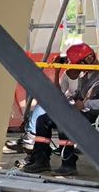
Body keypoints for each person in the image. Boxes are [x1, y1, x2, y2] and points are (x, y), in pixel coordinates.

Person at [23, 41, 99, 174]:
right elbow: (75, 95)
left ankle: (68, 163)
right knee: (43, 120)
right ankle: (41, 159)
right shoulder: (86, 76)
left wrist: (84, 104)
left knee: (65, 122)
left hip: (93, 113)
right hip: (82, 111)